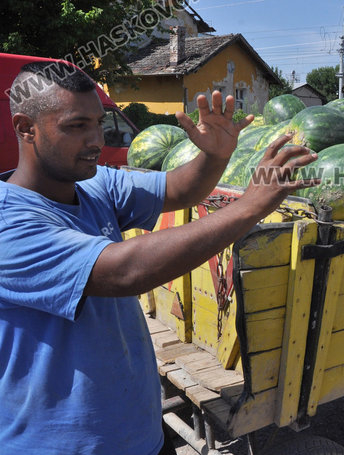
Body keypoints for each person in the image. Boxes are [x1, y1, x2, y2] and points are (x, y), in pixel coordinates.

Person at [0, 61, 317, 455]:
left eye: (99, 122)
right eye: (76, 126)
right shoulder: (8, 225)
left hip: (141, 435)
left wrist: (214, 157)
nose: (96, 139)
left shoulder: (94, 184)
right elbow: (124, 271)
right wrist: (248, 206)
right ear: (25, 128)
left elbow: (178, 189)